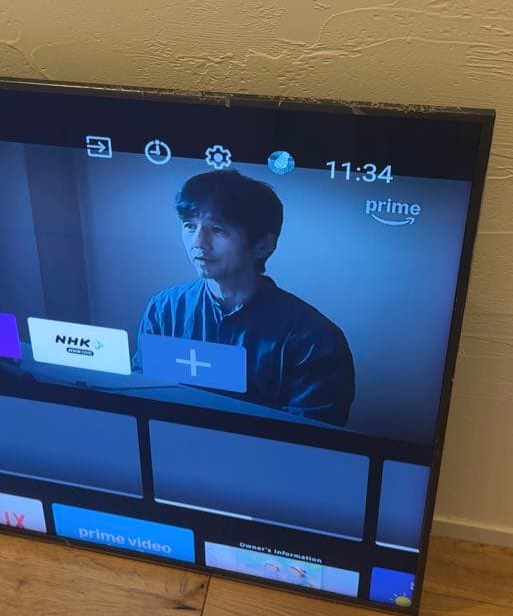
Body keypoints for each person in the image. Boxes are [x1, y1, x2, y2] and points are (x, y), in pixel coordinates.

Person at [135, 169, 355, 426]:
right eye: (189, 226)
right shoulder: (165, 309)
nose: (198, 243)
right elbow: (141, 392)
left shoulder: (313, 339)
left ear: (264, 245)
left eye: (217, 230)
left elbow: (311, 435)